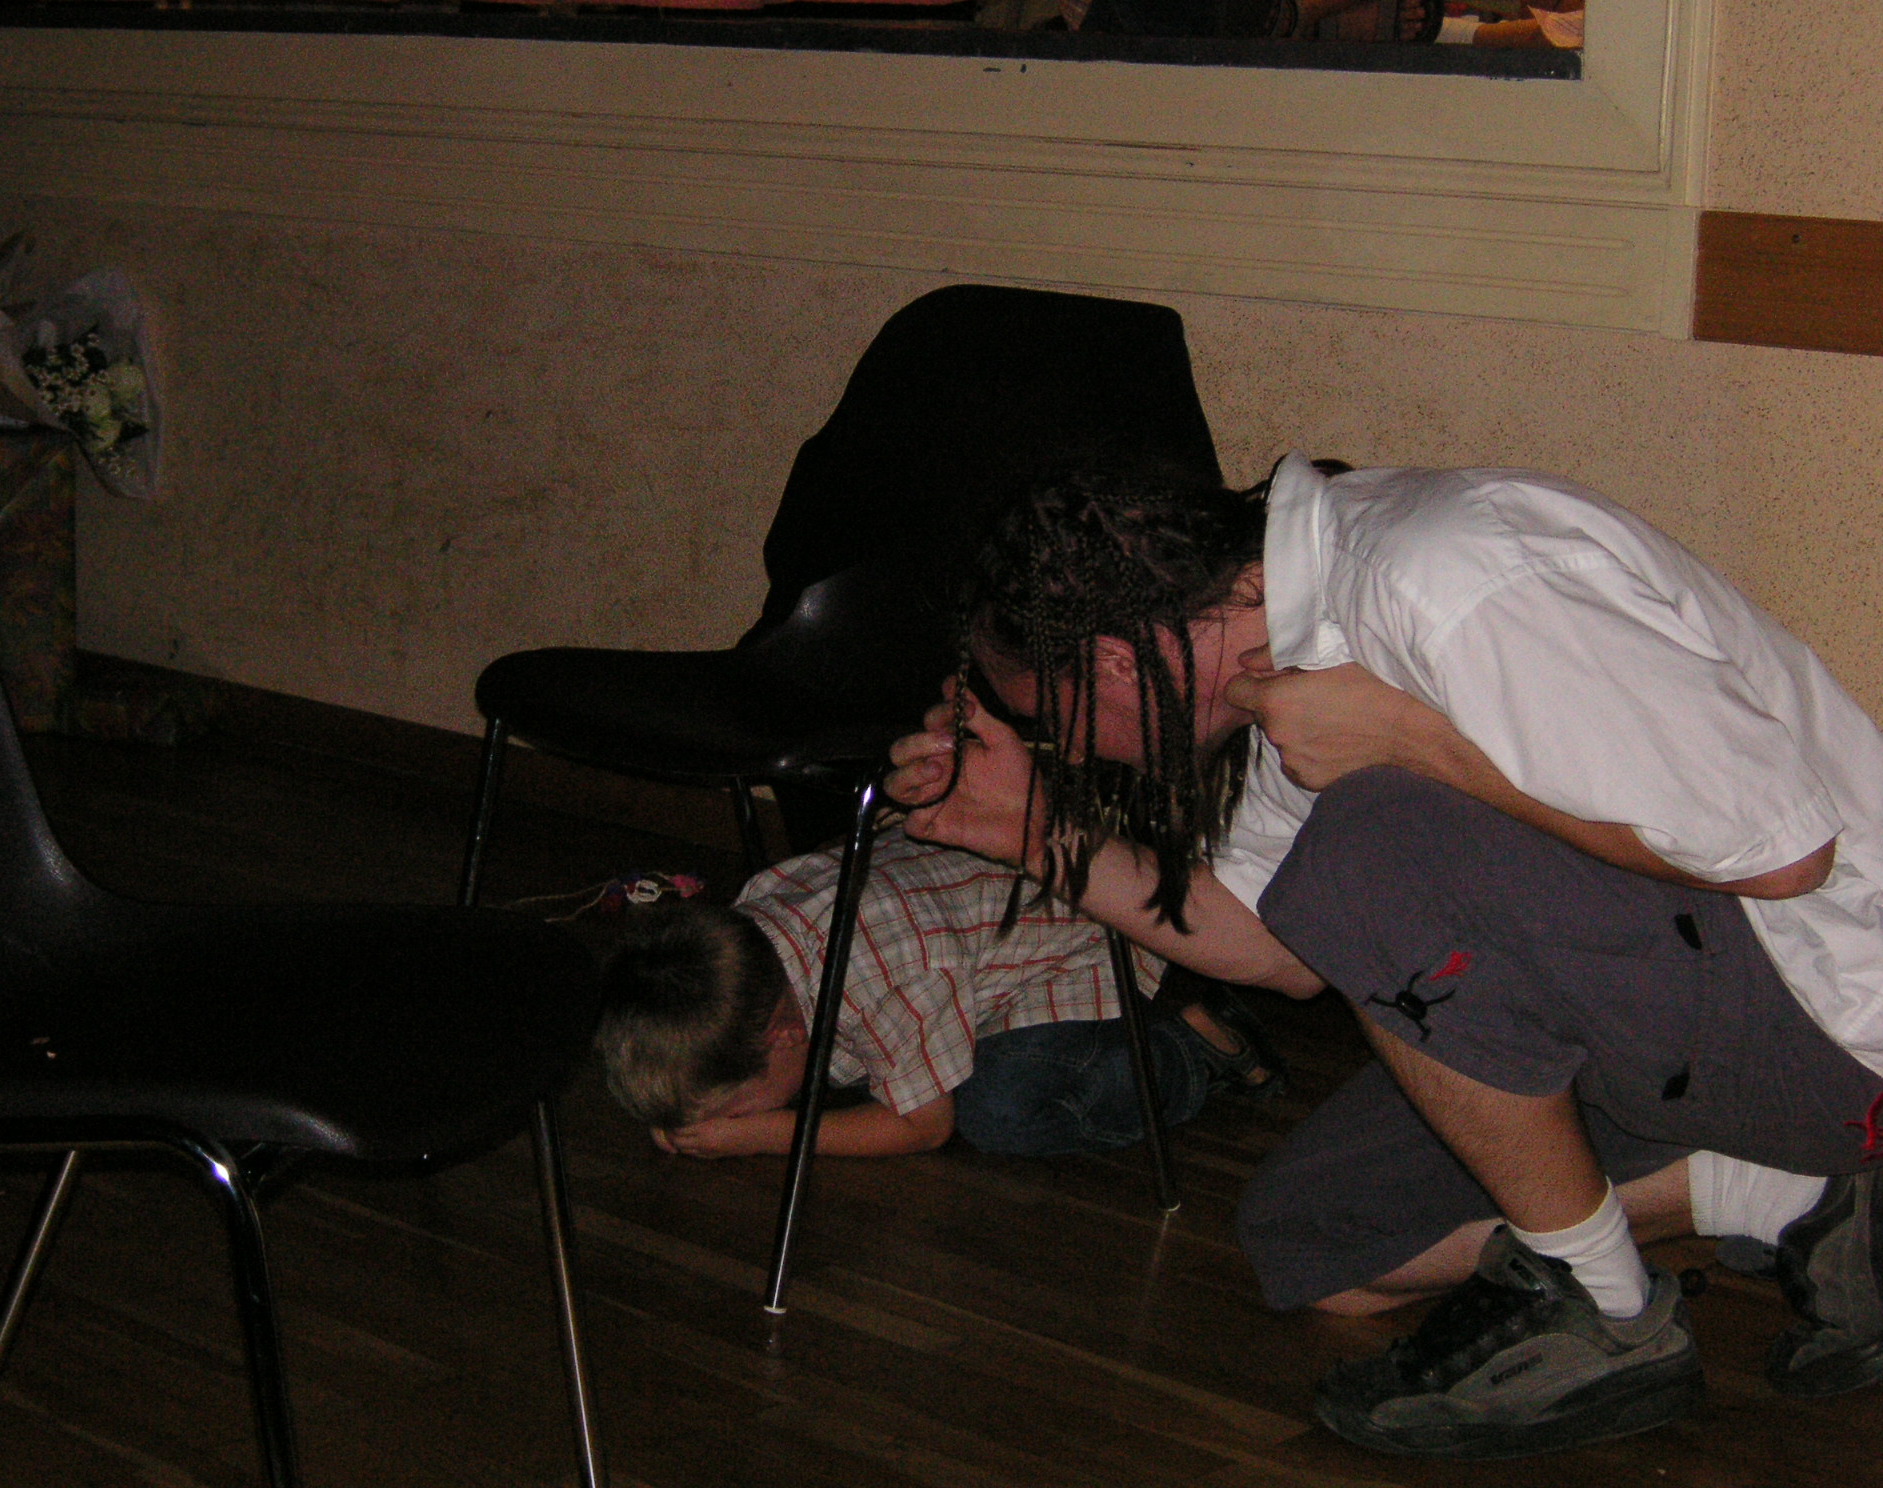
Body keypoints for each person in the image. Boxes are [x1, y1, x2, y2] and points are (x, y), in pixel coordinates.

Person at [885, 447, 1883, 1459]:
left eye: (1051, 720)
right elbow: (1281, 946)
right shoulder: (1297, 642)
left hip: (1833, 1013)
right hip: (1676, 1012)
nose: (1071, 751)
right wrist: (1034, 833)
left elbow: (1784, 857)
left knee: (1367, 840)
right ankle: (1807, 1198)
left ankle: (1604, 1309)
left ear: (1110, 662)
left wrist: (1410, 740)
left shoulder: (1450, 575)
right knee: (1316, 1243)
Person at [593, 822, 1280, 1160]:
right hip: (972, 928)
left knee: (995, 1107)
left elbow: (924, 1127)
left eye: (735, 1102)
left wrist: (762, 1132)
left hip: (1093, 950)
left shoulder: (884, 976)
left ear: (784, 1035)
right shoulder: (752, 929)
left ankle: (1189, 1048)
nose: (730, 1117)